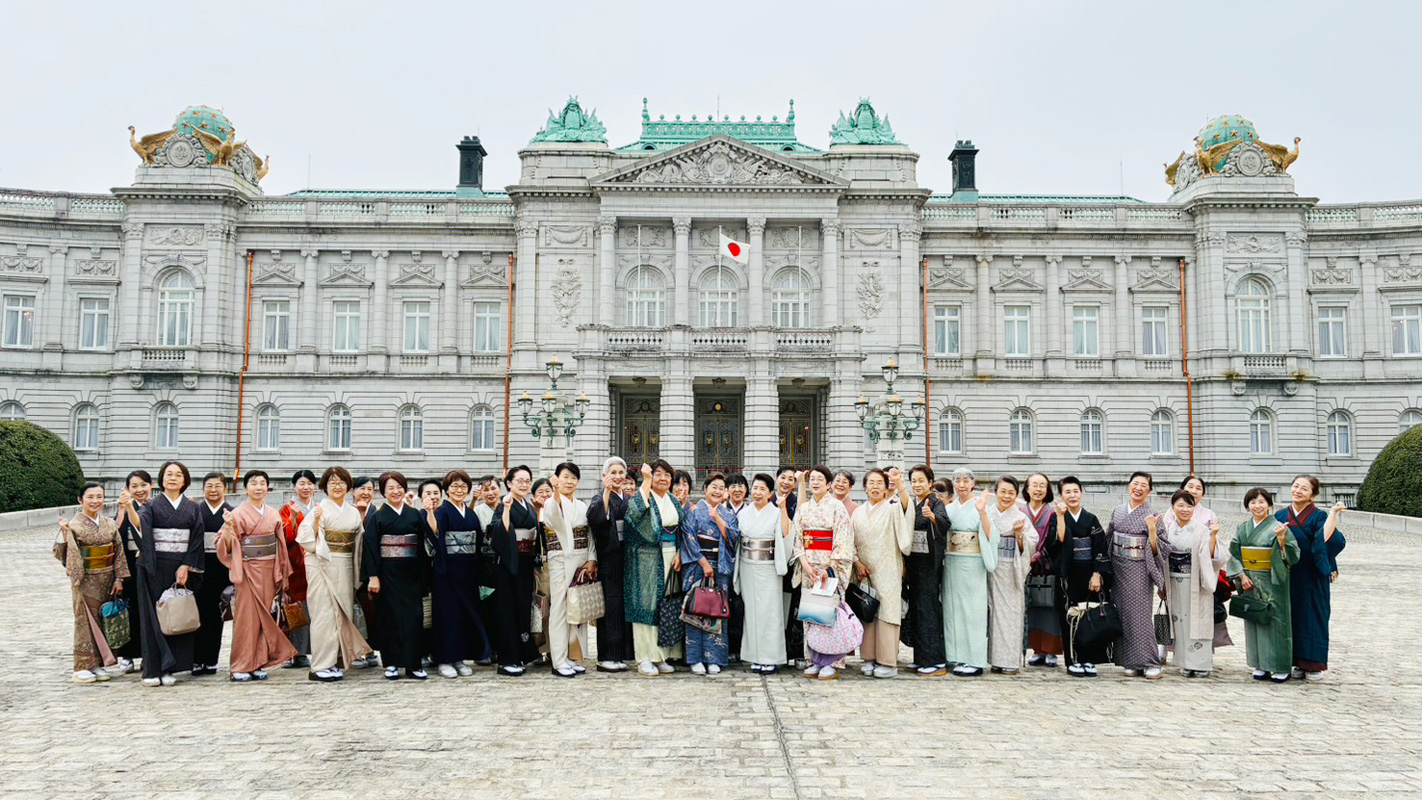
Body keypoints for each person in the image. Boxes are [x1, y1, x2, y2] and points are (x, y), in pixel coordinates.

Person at [125, 460, 205, 687]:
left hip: (180, 567)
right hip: (153, 565)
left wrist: (186, 565)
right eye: (168, 474)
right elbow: (140, 525)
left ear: (185, 480)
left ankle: (170, 668)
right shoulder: (150, 505)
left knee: (175, 615)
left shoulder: (192, 507)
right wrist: (129, 507)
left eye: (178, 474)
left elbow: (196, 538)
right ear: (161, 479)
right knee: (152, 617)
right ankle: (152, 669)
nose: (173, 478)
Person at [217, 470, 299, 682]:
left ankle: (257, 663)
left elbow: (280, 545)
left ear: (267, 488)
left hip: (269, 569)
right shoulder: (237, 514)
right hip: (247, 570)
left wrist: (283, 572)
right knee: (246, 619)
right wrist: (228, 528)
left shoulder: (272, 514)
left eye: (263, 483)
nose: (259, 487)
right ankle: (240, 665)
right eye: (253, 483)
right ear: (245, 489)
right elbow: (226, 545)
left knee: (265, 618)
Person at [297, 467, 372, 682]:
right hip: (321, 563)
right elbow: (305, 538)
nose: (337, 487)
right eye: (332, 483)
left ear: (348, 487)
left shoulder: (352, 512)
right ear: (325, 487)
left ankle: (335, 661)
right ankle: (320, 665)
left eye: (341, 483)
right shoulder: (319, 510)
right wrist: (316, 526)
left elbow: (358, 544)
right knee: (324, 615)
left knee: (343, 614)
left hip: (345, 564)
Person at [55, 483, 129, 683]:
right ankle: (81, 666)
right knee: (85, 621)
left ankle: (98, 663)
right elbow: (63, 554)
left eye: (99, 497)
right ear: (80, 500)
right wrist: (64, 534)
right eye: (90, 497)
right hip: (85, 578)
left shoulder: (109, 523)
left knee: (103, 620)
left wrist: (119, 578)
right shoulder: (74, 525)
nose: (95, 501)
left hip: (107, 577)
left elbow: (119, 552)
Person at [420, 470, 488, 679]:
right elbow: (435, 531)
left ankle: (459, 658)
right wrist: (430, 512)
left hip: (468, 570)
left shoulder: (470, 513)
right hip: (447, 571)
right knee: (447, 615)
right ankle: (444, 659)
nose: (459, 490)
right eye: (455, 486)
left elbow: (478, 540)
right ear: (447, 490)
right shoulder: (442, 511)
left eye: (463, 486)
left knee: (463, 616)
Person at [362, 471, 430, 680]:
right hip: (387, 575)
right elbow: (370, 548)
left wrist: (424, 577)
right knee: (388, 619)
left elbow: (422, 547)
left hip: (412, 574)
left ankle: (413, 664)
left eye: (399, 487)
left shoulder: (414, 514)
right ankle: (391, 663)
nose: (395, 491)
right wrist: (373, 576)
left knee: (414, 618)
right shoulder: (377, 517)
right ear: (383, 492)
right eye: (390, 488)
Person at [790, 466, 855, 681]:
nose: (815, 483)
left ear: (828, 485)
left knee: (830, 614)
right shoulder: (804, 509)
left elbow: (843, 538)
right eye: (813, 480)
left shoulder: (836, 507)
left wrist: (831, 567)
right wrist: (805, 565)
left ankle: (832, 661)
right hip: (809, 567)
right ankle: (814, 659)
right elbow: (798, 539)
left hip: (829, 567)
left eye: (820, 479)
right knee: (811, 614)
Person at [1230, 487, 1299, 682]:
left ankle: (1280, 666)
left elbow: (1293, 556)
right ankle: (1259, 664)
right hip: (1249, 581)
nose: (1257, 506)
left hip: (1271, 579)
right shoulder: (1243, 528)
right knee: (1254, 618)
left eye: (1261, 502)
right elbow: (1234, 554)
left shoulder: (1278, 527)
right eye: (1252, 502)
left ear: (1269, 505)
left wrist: (1282, 540)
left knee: (1275, 621)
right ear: (1247, 506)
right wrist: (1241, 575)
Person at [1153, 489, 1225, 678]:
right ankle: (1184, 662)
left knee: (1197, 621)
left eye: (1189, 506)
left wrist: (1213, 537)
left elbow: (1212, 558)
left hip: (1196, 583)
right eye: (1180, 505)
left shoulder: (1202, 529)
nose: (1185, 509)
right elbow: (1160, 556)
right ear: (1173, 508)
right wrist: (1161, 584)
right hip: (1173, 582)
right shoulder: (1168, 529)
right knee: (1179, 621)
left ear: (1194, 508)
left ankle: (1201, 663)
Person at [1280, 475, 1346, 681]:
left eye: (1304, 489)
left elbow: (1325, 539)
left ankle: (1313, 663)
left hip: (1312, 573)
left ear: (1313, 495)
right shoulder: (1281, 515)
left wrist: (1333, 514)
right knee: (1291, 616)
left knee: (1314, 616)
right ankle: (1296, 661)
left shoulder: (1319, 516)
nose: (1298, 491)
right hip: (1289, 573)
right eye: (1295, 486)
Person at [850, 468, 913, 678]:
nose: (875, 487)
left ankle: (888, 661)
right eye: (871, 483)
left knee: (887, 610)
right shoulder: (858, 512)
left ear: (886, 488)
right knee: (867, 609)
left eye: (879, 483)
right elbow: (850, 539)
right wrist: (856, 562)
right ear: (865, 487)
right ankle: (868, 657)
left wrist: (900, 485)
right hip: (864, 569)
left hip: (888, 566)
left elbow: (907, 509)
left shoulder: (893, 508)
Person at [678, 474, 740, 676]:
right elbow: (688, 537)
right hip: (697, 565)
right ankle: (695, 658)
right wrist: (703, 563)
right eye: (714, 486)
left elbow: (734, 538)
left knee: (717, 610)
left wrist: (717, 519)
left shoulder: (727, 514)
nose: (717, 491)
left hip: (720, 565)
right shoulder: (694, 511)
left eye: (721, 488)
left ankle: (715, 658)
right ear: (705, 489)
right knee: (695, 609)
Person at [624, 460, 681, 676]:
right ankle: (645, 657)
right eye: (658, 474)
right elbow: (634, 514)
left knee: (665, 606)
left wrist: (680, 553)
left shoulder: (673, 500)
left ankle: (661, 656)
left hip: (670, 556)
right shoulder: (644, 496)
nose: (663, 479)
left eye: (667, 475)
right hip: (646, 558)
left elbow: (681, 528)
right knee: (646, 606)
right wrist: (646, 481)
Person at [541, 462, 597, 678]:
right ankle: (558, 659)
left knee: (576, 609)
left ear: (578, 482)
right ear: (557, 479)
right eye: (565, 477)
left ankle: (573, 656)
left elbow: (589, 534)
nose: (569, 481)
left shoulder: (581, 505)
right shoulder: (550, 502)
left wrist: (591, 558)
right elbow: (555, 517)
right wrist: (555, 491)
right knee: (559, 609)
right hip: (560, 560)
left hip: (581, 559)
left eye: (573, 478)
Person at [1108, 471, 1164, 680]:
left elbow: (1162, 547)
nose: (1138, 488)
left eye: (1143, 485)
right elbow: (1109, 538)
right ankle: (1130, 661)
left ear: (1149, 491)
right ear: (1128, 486)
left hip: (1139, 568)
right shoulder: (1118, 511)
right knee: (1121, 614)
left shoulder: (1152, 514)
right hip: (1118, 567)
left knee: (1139, 616)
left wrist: (1152, 531)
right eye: (1135, 483)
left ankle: (1150, 662)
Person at [1053, 476, 1110, 676]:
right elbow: (1058, 541)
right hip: (1067, 574)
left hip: (1088, 573)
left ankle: (1089, 659)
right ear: (1061, 496)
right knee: (1069, 616)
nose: (1072, 495)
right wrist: (1060, 517)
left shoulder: (1091, 518)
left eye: (1075, 491)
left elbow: (1100, 547)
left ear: (1081, 493)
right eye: (1067, 492)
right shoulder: (1057, 517)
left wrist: (1097, 573)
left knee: (1090, 615)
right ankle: (1071, 660)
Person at [487, 465, 539, 675]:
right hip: (508, 564)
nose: (524, 485)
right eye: (520, 481)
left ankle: (521, 654)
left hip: (525, 563)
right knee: (507, 610)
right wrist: (507, 509)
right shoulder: (504, 504)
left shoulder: (529, 505)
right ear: (509, 483)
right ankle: (507, 659)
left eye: (527, 481)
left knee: (522, 608)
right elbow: (499, 531)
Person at [735, 473, 790, 673]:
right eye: (755, 488)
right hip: (747, 565)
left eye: (762, 489)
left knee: (770, 612)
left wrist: (783, 509)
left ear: (770, 493)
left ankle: (771, 657)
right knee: (751, 613)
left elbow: (785, 534)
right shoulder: (744, 513)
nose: (757, 493)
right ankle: (754, 655)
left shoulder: (775, 512)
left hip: (768, 567)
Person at [942, 467, 993, 677]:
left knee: (974, 612)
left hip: (973, 562)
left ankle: (975, 660)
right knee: (952, 610)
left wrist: (982, 513)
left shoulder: (981, 506)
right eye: (957, 481)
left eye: (965, 481)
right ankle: (955, 656)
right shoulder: (949, 508)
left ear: (973, 484)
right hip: (952, 562)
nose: (961, 485)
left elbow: (990, 535)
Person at [587, 458, 633, 672]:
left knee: (623, 605)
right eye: (613, 473)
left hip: (627, 556)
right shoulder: (599, 498)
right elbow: (596, 519)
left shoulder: (628, 499)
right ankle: (607, 656)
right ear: (605, 476)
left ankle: (622, 653)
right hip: (609, 558)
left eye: (621, 472)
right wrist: (606, 492)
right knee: (611, 606)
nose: (617, 477)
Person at [987, 476, 1034, 675]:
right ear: (995, 492)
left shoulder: (1020, 517)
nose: (1006, 496)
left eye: (1011, 493)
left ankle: (1009, 661)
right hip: (989, 567)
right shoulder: (987, 513)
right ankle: (994, 659)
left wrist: (1019, 534)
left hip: (1011, 569)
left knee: (1011, 614)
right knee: (992, 613)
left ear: (1016, 495)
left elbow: (1032, 542)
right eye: (1003, 491)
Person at [1180, 475, 1232, 649]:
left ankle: (1204, 652)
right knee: (1179, 612)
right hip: (1178, 572)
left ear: (1203, 493)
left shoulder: (1209, 515)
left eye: (1198, 488)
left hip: (1202, 572)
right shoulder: (1172, 512)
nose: (1194, 491)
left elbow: (1216, 550)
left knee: (1203, 613)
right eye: (1190, 486)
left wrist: (1213, 537)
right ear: (1182, 489)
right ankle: (1178, 651)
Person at [192, 471, 232, 676]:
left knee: (217, 616)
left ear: (225, 489)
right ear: (203, 489)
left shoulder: (231, 512)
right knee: (197, 614)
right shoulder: (195, 511)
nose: (213, 490)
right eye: (209, 486)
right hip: (199, 568)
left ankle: (211, 660)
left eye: (217, 486)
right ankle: (196, 659)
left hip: (221, 569)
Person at [113, 469, 152, 673]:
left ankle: (149, 655)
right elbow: (115, 542)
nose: (139, 490)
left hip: (151, 567)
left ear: (151, 486)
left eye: (143, 485)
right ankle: (127, 655)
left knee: (150, 614)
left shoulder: (155, 508)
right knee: (130, 612)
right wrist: (118, 577)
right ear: (127, 489)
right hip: (129, 568)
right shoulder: (124, 511)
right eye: (134, 486)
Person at [278, 469, 317, 668]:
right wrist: (292, 519)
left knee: (313, 608)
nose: (306, 487)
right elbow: (283, 538)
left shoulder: (318, 508)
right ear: (294, 487)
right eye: (302, 483)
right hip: (295, 566)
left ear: (315, 487)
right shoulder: (287, 509)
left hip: (315, 562)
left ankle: (306, 651)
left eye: (309, 483)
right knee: (294, 608)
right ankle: (292, 652)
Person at [1022, 473, 1061, 667]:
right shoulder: (1020, 511)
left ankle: (1051, 650)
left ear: (1047, 490)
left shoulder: (1052, 513)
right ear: (1027, 489)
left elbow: (1052, 540)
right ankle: (1037, 650)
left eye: (1042, 486)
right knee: (1032, 608)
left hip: (1046, 565)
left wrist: (1037, 555)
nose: (1038, 489)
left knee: (1049, 608)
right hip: (1024, 564)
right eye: (1034, 485)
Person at [348, 475, 379, 668]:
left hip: (371, 568)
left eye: (370, 489)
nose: (366, 493)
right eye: (362, 489)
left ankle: (370, 650)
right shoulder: (346, 511)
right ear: (353, 491)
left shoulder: (377, 512)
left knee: (370, 611)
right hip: (349, 566)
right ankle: (354, 651)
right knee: (351, 610)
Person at [471, 475, 501, 665]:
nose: (490, 493)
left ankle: (500, 647)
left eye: (493, 488)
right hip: (484, 565)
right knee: (485, 608)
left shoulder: (506, 507)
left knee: (502, 608)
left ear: (500, 489)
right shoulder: (477, 510)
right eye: (486, 490)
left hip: (503, 563)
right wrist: (473, 501)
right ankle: (485, 649)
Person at [775, 466, 803, 665]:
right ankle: (776, 650)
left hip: (792, 561)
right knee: (774, 606)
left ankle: (794, 651)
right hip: (770, 562)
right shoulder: (768, 500)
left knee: (793, 605)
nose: (786, 482)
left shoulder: (797, 502)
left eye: (790, 479)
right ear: (777, 479)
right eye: (783, 477)